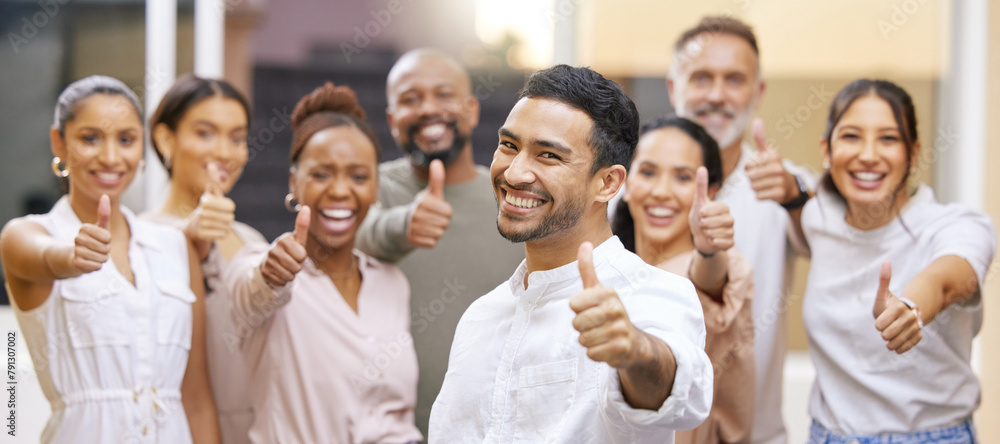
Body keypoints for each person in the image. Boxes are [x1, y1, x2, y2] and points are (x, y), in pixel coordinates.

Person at [429, 65, 713, 443]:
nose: (514, 173)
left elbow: (679, 397)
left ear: (607, 183)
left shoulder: (649, 296)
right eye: (509, 146)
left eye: (548, 155)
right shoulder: (481, 316)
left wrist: (636, 351)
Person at [0, 75, 220, 443]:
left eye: (126, 140)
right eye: (90, 138)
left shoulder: (175, 246)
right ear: (59, 142)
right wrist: (71, 257)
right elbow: (44, 257)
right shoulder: (28, 234)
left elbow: (196, 400)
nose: (111, 157)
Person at [224, 82, 422, 444]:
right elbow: (251, 290)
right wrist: (270, 275)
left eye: (358, 176)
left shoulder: (391, 282)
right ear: (294, 183)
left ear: (375, 188)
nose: (341, 190)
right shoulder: (260, 266)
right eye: (321, 174)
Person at [800, 79, 995, 443]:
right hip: (828, 434)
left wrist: (911, 307)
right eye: (852, 136)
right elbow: (803, 192)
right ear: (826, 149)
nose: (868, 154)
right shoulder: (818, 218)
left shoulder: (957, 225)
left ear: (914, 152)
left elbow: (948, 279)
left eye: (888, 139)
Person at [355, 48, 524, 433]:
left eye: (444, 95)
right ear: (392, 119)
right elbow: (350, 232)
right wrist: (404, 225)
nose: (429, 108)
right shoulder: (366, 187)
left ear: (472, 110)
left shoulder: (513, 199)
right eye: (411, 99)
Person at [666, 16, 814, 443]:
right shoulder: (632, 186)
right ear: (674, 87)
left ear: (758, 92)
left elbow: (834, 244)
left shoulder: (788, 185)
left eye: (734, 79)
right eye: (701, 78)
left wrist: (794, 196)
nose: (716, 95)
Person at [613, 115, 754, 444]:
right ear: (626, 183)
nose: (662, 192)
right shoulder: (608, 267)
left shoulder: (721, 269)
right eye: (648, 172)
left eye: (682, 177)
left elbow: (708, 282)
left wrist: (708, 251)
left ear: (711, 192)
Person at [142, 74, 265, 444]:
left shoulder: (252, 241)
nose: (224, 152)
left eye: (237, 138)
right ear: (166, 139)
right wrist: (188, 238)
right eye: (205, 133)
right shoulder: (141, 239)